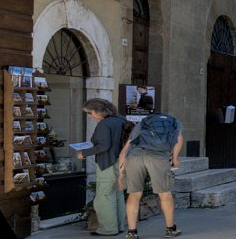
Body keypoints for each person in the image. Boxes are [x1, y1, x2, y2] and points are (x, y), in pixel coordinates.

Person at [117, 107, 183, 239]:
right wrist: (175, 158)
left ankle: (131, 232)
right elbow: (179, 138)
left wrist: (120, 174)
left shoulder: (143, 123)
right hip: (158, 157)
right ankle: (170, 229)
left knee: (134, 194)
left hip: (135, 157)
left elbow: (125, 149)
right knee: (164, 193)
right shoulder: (174, 122)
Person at [75, 98, 126, 236]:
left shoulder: (104, 124)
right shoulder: (121, 120)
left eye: (90, 112)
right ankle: (119, 226)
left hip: (107, 163)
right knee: (117, 195)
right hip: (121, 162)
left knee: (104, 197)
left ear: (99, 111)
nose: (89, 116)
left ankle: (108, 229)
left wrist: (84, 153)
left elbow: (104, 146)